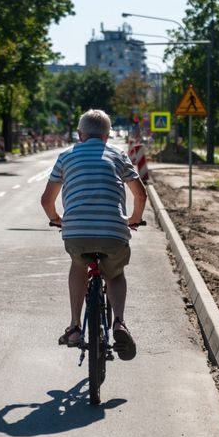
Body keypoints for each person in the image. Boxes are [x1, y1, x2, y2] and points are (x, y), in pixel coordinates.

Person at [40, 109, 148, 361]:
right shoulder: (119, 155)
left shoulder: (66, 157)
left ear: (80, 135)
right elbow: (140, 195)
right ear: (107, 137)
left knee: (78, 265)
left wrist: (57, 220)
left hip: (76, 232)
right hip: (113, 232)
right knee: (115, 273)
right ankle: (119, 323)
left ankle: (75, 327)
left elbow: (47, 200)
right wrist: (134, 219)